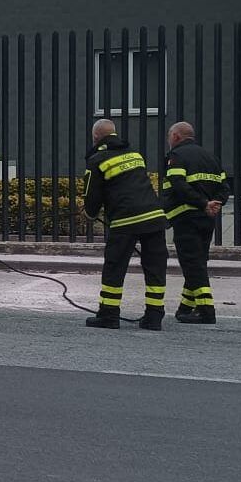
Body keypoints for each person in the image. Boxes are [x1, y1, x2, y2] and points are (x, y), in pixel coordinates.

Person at [79, 118, 170, 331]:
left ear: (95, 137)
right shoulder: (136, 155)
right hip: (153, 217)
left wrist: (90, 214)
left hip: (124, 220)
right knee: (155, 267)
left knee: (115, 266)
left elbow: (92, 195)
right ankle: (154, 317)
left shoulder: (97, 160)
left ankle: (109, 315)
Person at [162, 121, 229, 325]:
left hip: (186, 217)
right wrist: (215, 204)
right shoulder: (211, 158)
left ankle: (206, 310)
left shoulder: (177, 156)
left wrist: (202, 203)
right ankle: (186, 307)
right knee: (197, 262)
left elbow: (178, 185)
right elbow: (224, 186)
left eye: (169, 137)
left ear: (175, 137)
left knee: (192, 264)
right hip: (207, 219)